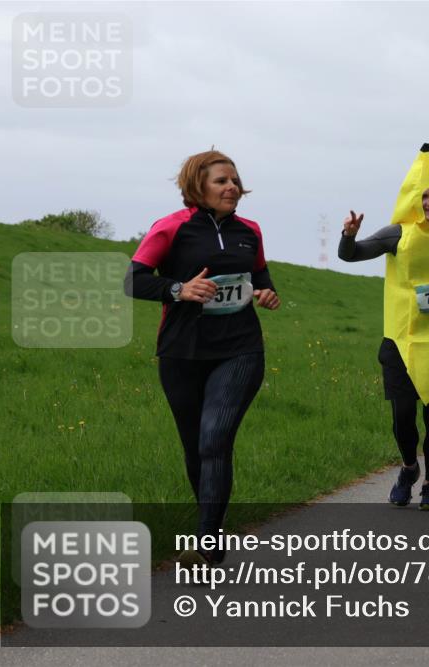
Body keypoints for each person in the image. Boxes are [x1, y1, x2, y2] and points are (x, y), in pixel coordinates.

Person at [126, 150, 280, 566]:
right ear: (198, 185)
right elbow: (133, 280)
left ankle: (205, 542)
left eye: (235, 180)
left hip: (240, 349)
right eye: (221, 181)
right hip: (182, 352)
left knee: (215, 438)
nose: (232, 187)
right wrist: (179, 290)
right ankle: (212, 526)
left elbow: (260, 278)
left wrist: (266, 293)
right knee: (196, 448)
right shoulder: (171, 228)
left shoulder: (250, 231)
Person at [339, 143, 429, 511]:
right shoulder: (397, 233)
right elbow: (350, 255)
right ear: (414, 199)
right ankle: (410, 467)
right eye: (425, 196)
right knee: (402, 417)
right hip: (400, 340)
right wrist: (349, 234)